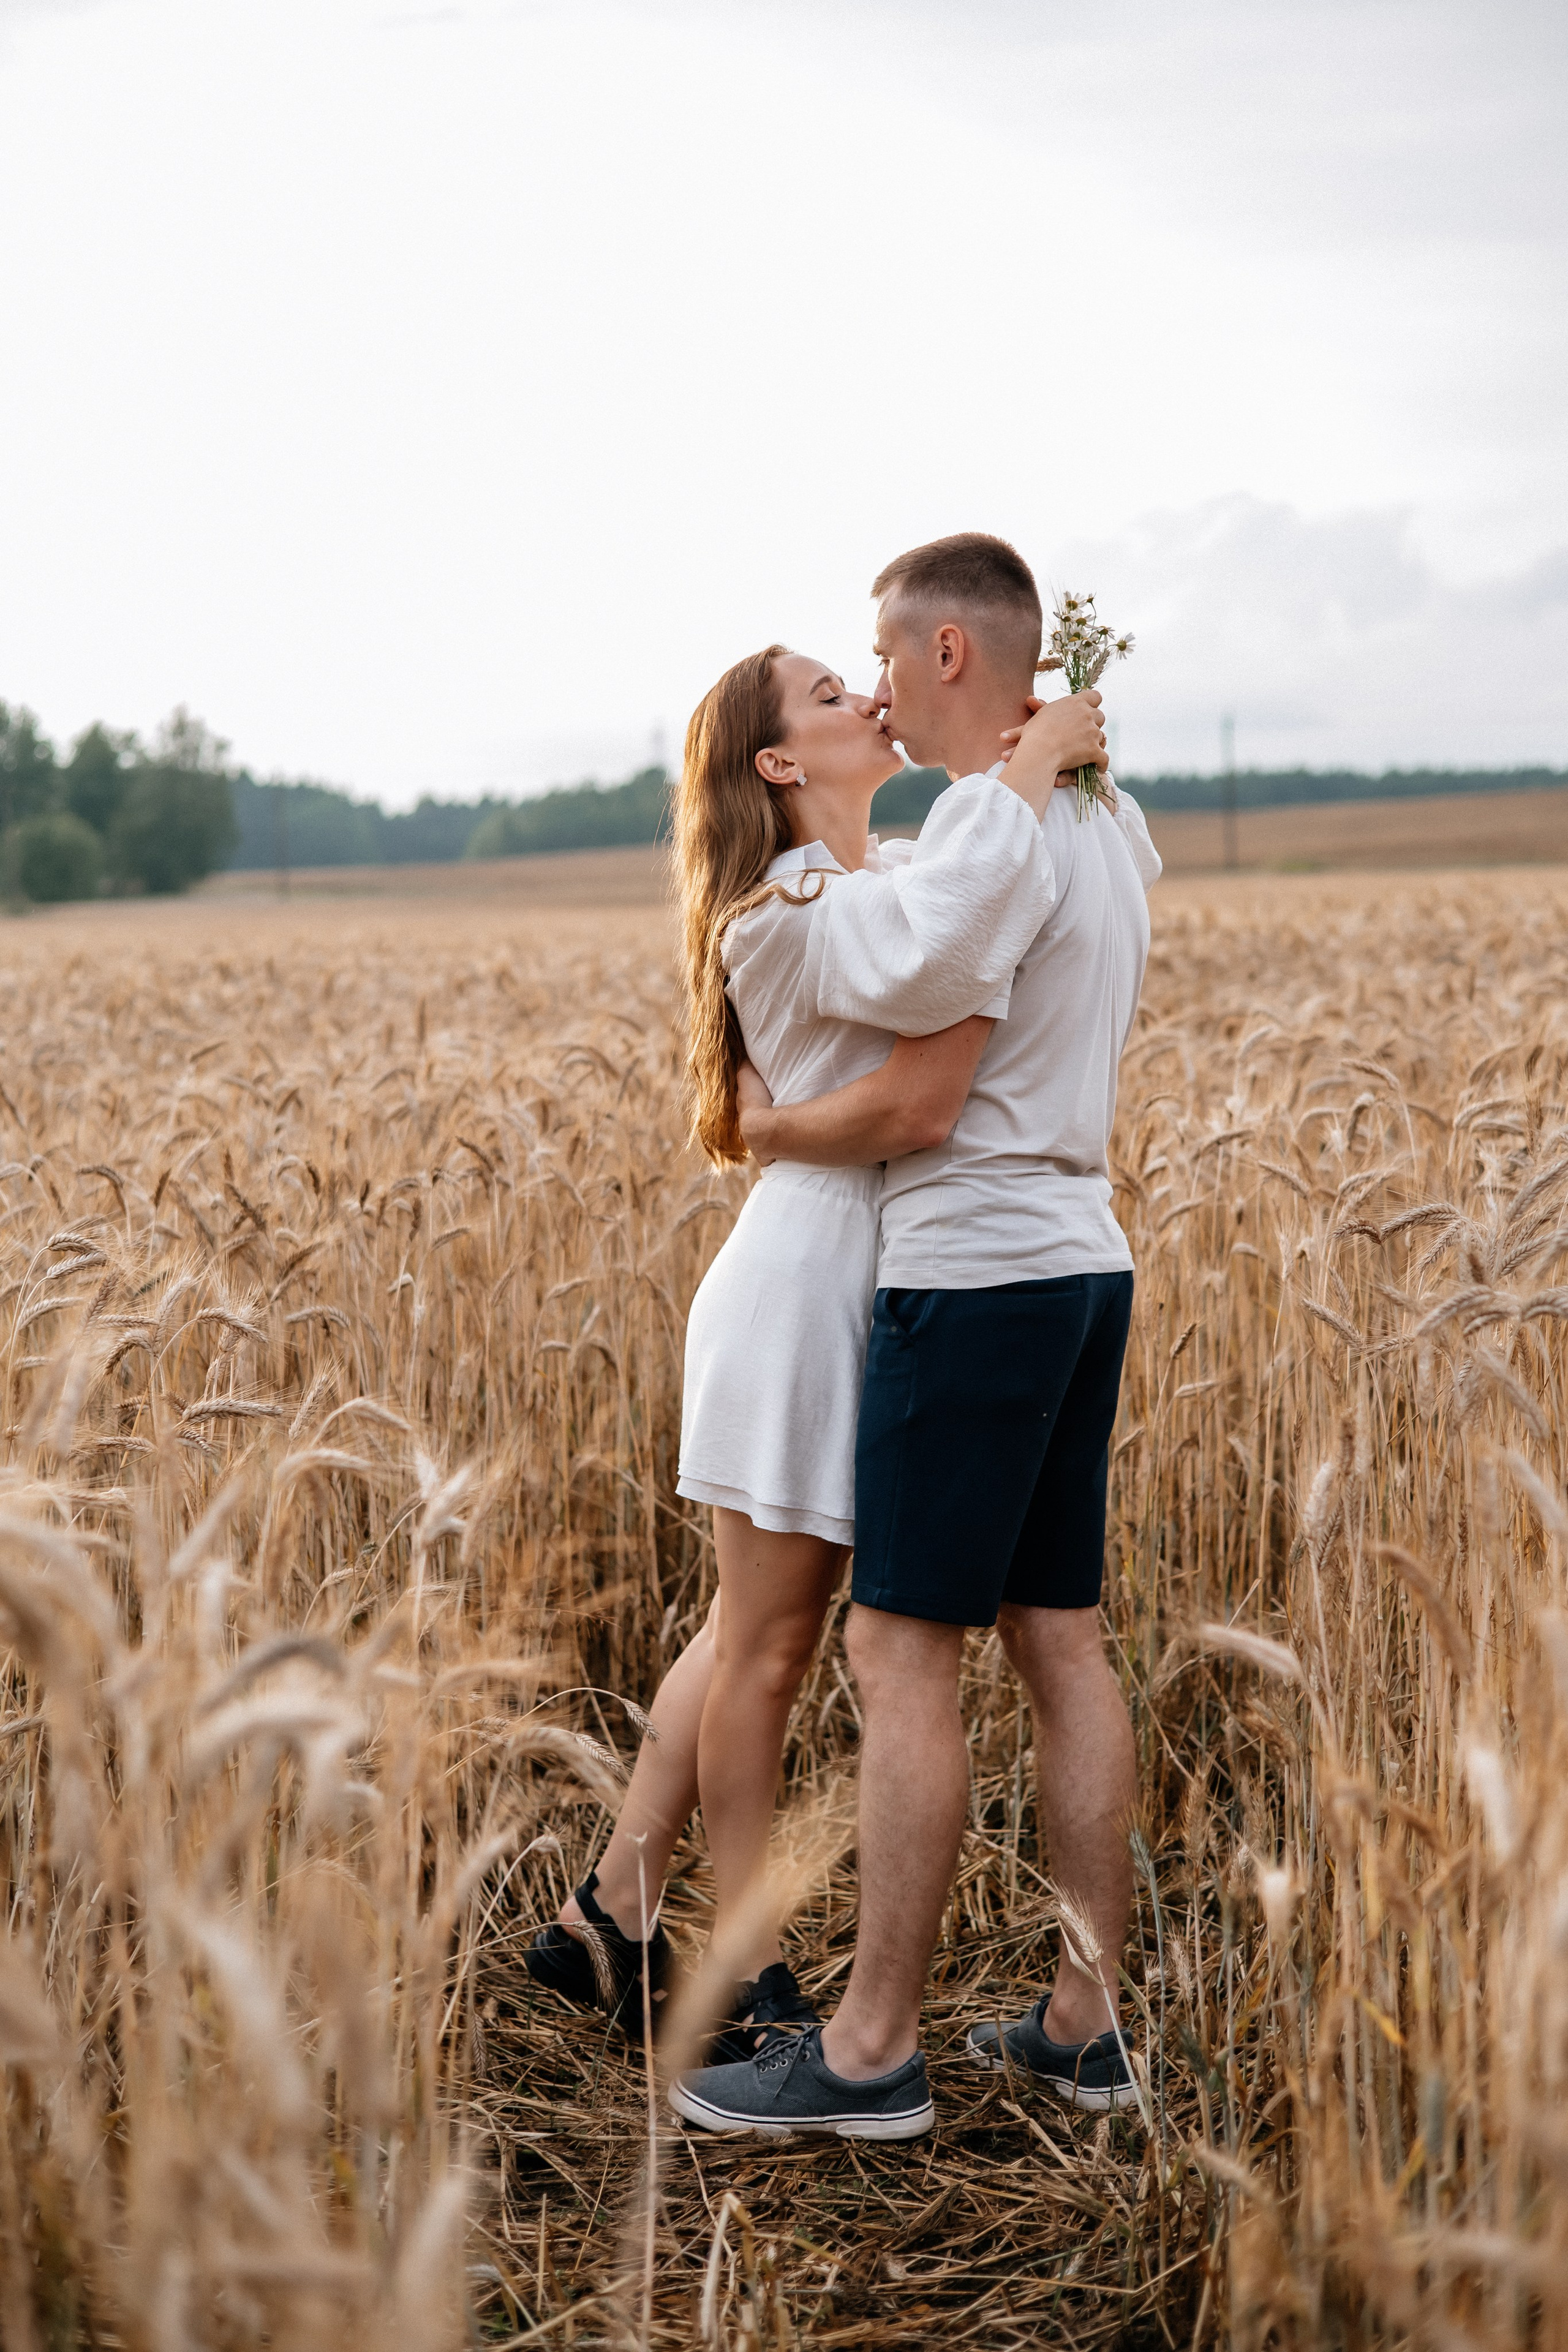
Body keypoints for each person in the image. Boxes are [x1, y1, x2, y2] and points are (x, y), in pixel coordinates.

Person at [527, 630, 1107, 2058]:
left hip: (876, 1282)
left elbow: (972, 904)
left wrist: (1033, 771)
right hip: (801, 1292)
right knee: (771, 1650)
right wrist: (1027, 757)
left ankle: (605, 1912)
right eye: (830, 693)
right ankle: (748, 1966)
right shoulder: (780, 911)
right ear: (780, 761)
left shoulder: (874, 884)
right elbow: (910, 1107)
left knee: (747, 1626)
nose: (866, 695)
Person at [669, 531, 1161, 2140]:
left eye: (884, 657)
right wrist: (1043, 759)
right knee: (1061, 1636)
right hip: (1084, 1250)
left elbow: (923, 977)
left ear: (952, 656)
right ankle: (1085, 2024)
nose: (874, 684)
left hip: (980, 1267)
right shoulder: (1105, 816)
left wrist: (756, 1123)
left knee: (899, 1653)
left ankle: (871, 2050)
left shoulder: (980, 838)